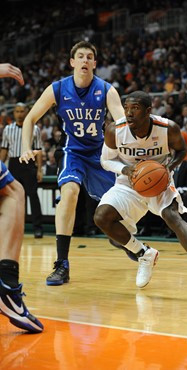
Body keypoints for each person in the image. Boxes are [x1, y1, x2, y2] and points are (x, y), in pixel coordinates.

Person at [94, 91, 187, 296]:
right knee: (102, 219)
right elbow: (105, 161)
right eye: (126, 108)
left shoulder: (167, 128)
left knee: (172, 217)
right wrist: (125, 170)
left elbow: (182, 151)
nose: (128, 113)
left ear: (148, 111)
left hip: (159, 182)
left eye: (134, 108)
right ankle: (143, 253)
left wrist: (168, 168)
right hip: (128, 183)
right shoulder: (114, 130)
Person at [19, 41, 125, 286]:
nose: (85, 60)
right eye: (81, 56)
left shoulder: (107, 90)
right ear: (72, 62)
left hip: (100, 153)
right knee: (69, 193)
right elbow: (30, 118)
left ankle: (123, 237)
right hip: (72, 151)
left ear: (95, 64)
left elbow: (121, 124)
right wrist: (26, 147)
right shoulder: (58, 88)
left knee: (121, 198)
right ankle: (62, 264)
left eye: (90, 57)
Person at [0, 63, 43, 333]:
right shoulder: (7, 132)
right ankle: (6, 287)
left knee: (18, 193)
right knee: (14, 192)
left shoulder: (32, 130)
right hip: (13, 162)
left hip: (27, 162)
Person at [0, 102, 43, 238]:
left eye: (22, 111)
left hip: (29, 163)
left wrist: (39, 169)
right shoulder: (8, 129)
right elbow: (4, 150)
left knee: (33, 196)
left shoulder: (34, 128)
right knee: (15, 198)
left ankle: (38, 228)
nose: (19, 114)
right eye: (17, 111)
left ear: (26, 112)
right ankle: (17, 228)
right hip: (13, 164)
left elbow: (39, 150)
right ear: (14, 113)